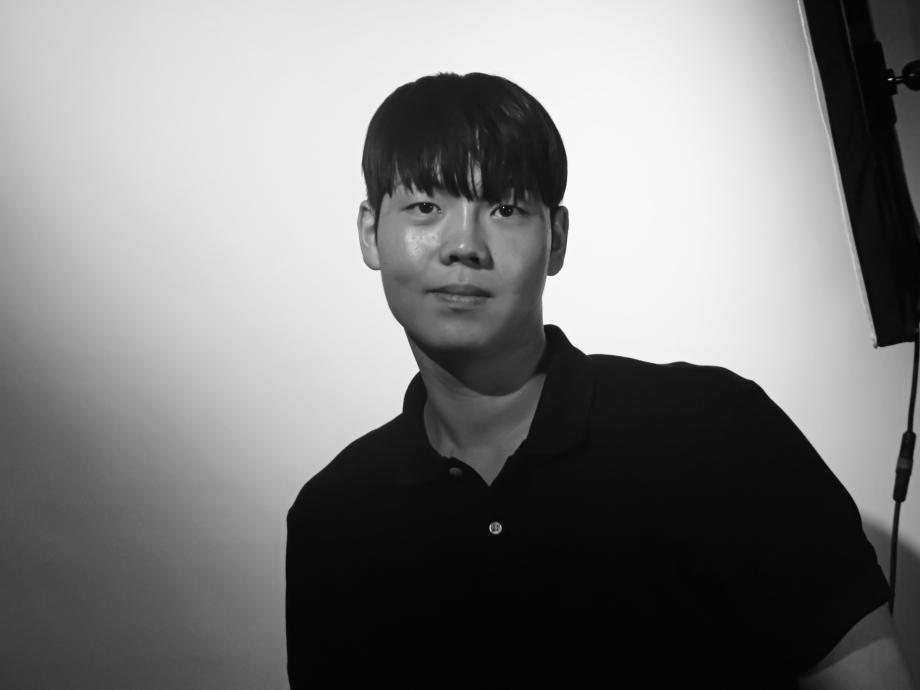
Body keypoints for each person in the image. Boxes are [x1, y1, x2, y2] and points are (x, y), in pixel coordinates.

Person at [285, 72, 914, 689]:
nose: (464, 245)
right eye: (426, 206)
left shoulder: (714, 430)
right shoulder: (334, 518)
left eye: (505, 208)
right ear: (370, 233)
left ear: (556, 239)